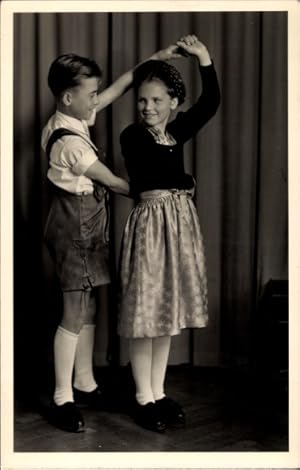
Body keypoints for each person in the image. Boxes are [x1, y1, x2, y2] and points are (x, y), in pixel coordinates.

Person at [42, 46, 181, 433]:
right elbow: (116, 182)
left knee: (89, 308)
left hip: (89, 224)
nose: (97, 99)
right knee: (73, 311)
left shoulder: (73, 114)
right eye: (91, 93)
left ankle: (84, 382)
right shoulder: (69, 141)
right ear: (69, 97)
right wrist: (159, 188)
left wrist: (155, 58)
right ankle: (62, 397)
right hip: (74, 228)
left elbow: (119, 87)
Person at [118, 35, 221, 433]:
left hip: (177, 226)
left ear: (173, 103)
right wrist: (187, 179)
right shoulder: (133, 136)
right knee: (147, 315)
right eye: (143, 100)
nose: (148, 108)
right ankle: (142, 396)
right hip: (152, 229)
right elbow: (153, 175)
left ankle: (158, 391)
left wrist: (203, 59)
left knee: (165, 315)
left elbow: (210, 103)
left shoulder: (175, 133)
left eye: (158, 101)